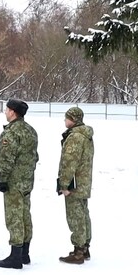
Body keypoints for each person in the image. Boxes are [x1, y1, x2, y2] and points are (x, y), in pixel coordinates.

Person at [0, 98, 39, 269]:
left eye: (7, 109)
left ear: (13, 112)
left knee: (14, 217)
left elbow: (6, 159)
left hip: (14, 181)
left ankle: (15, 256)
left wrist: (3, 179)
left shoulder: (11, 133)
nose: (5, 112)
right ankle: (25, 253)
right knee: (25, 215)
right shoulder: (31, 131)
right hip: (27, 181)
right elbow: (35, 156)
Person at [57, 106, 95, 264]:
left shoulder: (75, 137)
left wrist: (64, 184)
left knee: (75, 216)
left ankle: (78, 251)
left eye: (67, 118)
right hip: (84, 181)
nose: (64, 120)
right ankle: (85, 247)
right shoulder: (86, 136)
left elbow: (69, 162)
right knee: (83, 214)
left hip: (75, 183)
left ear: (73, 119)